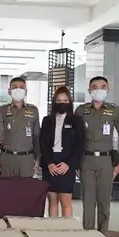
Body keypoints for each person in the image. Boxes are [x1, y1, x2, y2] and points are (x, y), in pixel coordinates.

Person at [74, 76, 119, 233]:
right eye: (95, 87)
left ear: (108, 89)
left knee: (104, 201)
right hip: (86, 160)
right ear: (89, 90)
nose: (99, 90)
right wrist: (75, 162)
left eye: (103, 87)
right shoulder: (81, 110)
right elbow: (74, 137)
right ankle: (89, 234)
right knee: (88, 201)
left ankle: (103, 234)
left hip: (106, 161)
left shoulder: (114, 110)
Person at [40, 86, 84, 217]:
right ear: (54, 102)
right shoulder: (47, 120)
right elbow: (43, 144)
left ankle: (66, 228)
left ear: (69, 102)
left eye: (65, 100)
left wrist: (69, 164)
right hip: (50, 164)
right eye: (58, 101)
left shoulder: (76, 121)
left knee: (66, 200)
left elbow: (79, 145)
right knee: (52, 199)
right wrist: (49, 163)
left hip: (67, 164)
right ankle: (53, 228)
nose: (62, 103)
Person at [0, 77, 41, 177]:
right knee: (5, 186)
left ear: (25, 91)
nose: (18, 90)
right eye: (14, 87)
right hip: (6, 158)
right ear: (9, 91)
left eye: (21, 87)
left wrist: (38, 159)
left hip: (27, 158)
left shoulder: (33, 110)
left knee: (25, 186)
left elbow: (37, 136)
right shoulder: (2, 110)